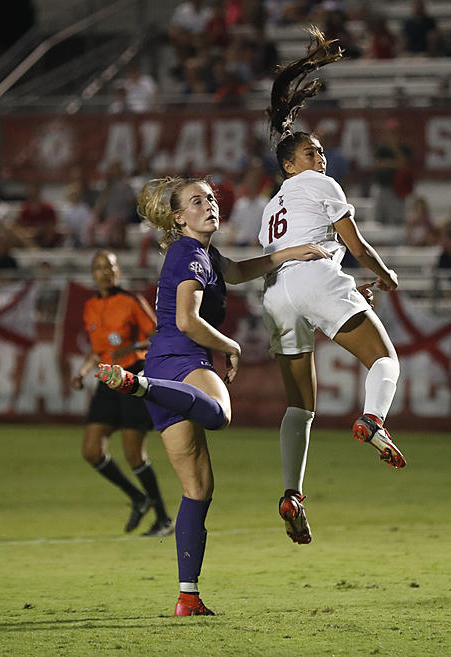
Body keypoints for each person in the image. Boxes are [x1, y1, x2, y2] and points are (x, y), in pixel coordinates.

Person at [95, 176, 331, 616]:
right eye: (197, 201)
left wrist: (291, 253)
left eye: (211, 199)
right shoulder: (188, 253)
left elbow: (239, 272)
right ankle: (138, 384)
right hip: (179, 360)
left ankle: (188, 597)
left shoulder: (205, 254)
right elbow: (186, 320)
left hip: (163, 369)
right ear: (179, 217)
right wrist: (232, 345)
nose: (210, 206)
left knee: (198, 489)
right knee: (220, 413)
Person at [259, 28, 407, 549]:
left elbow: (292, 262)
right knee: (385, 360)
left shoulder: (271, 206)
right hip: (316, 280)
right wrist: (383, 275)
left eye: (321, 153)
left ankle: (292, 495)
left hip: (278, 296)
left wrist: (336, 288)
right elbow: (356, 243)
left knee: (300, 406)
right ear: (290, 163)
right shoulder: (321, 186)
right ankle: (372, 420)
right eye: (311, 152)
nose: (321, 159)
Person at [70, 250, 173, 537]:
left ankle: (163, 519)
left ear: (118, 271)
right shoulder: (90, 306)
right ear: (92, 273)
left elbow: (157, 333)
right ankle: (139, 498)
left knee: (133, 453)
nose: (104, 272)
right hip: (107, 379)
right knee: (91, 451)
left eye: (110, 266)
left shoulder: (130, 301)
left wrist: (133, 346)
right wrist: (81, 372)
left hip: (132, 377)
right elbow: (97, 349)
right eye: (99, 267)